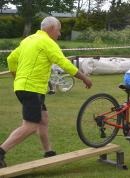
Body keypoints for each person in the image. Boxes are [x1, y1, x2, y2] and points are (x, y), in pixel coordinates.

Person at [0, 16, 92, 168]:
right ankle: (1, 151)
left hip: (24, 87)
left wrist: (16, 76)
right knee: (30, 126)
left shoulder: (28, 40)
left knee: (43, 118)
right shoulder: (47, 42)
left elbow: (11, 59)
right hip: (32, 88)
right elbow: (64, 63)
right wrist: (84, 78)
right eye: (59, 30)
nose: (60, 34)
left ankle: (48, 152)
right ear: (51, 29)